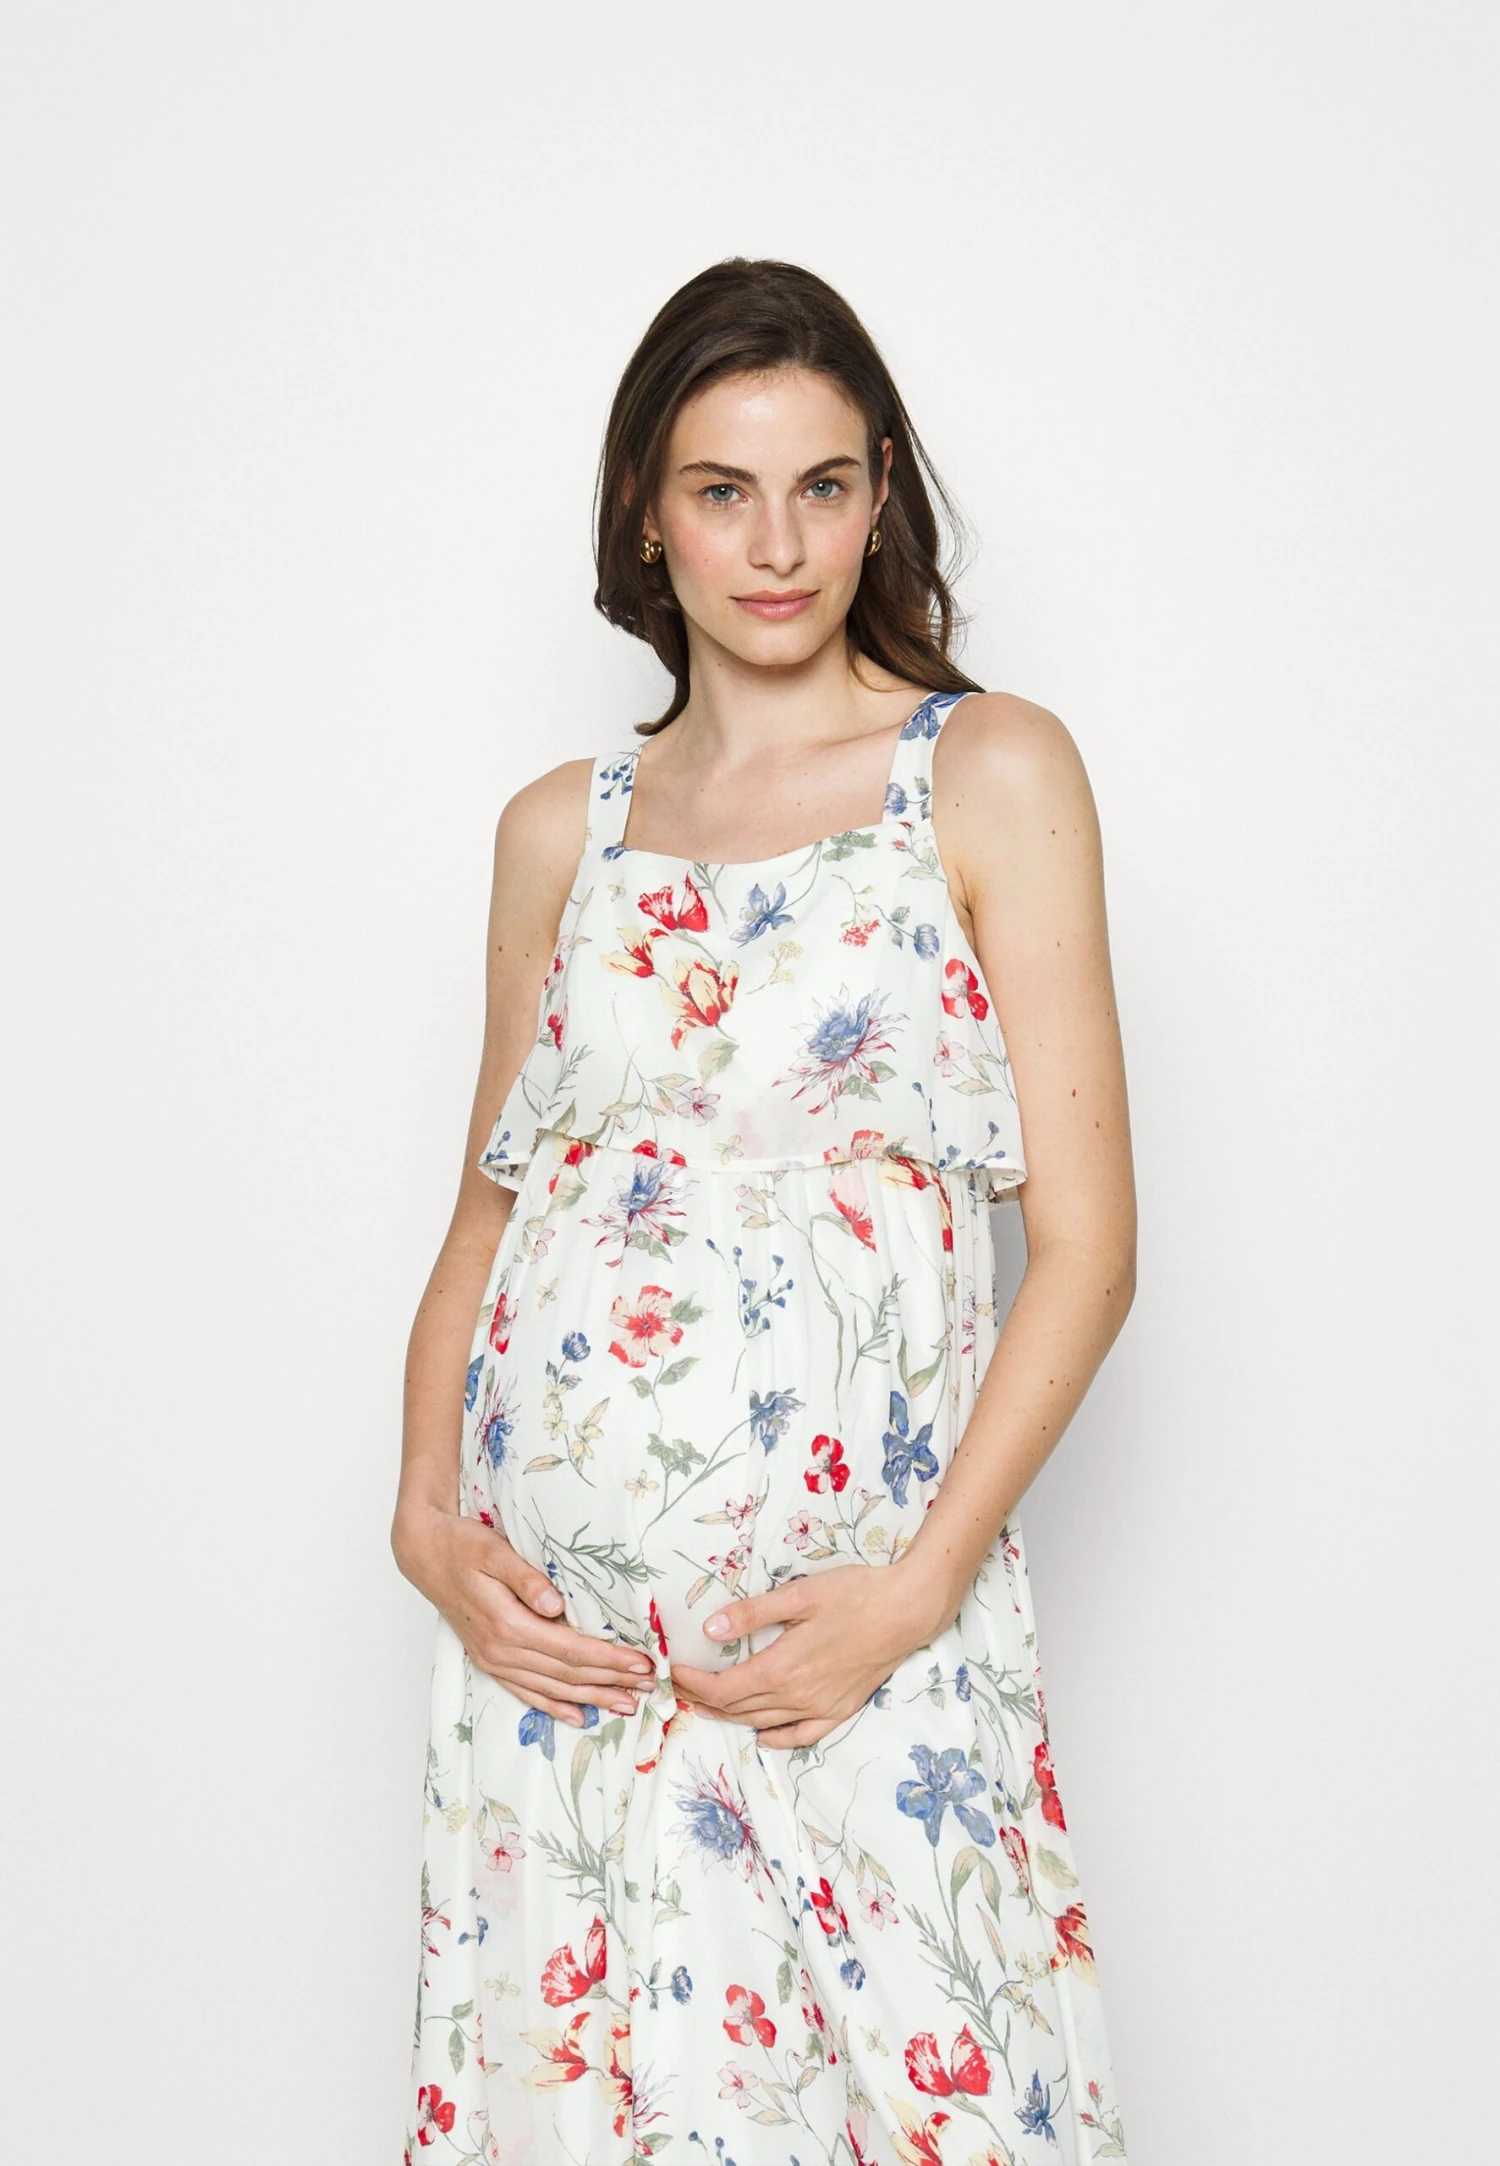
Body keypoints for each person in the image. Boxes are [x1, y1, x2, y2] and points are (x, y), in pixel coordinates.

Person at [393, 256, 1136, 2166]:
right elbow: (490, 1215)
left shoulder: (987, 771)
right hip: (569, 1676)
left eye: (822, 484)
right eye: (723, 490)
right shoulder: (561, 828)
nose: (778, 544)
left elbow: (1089, 1249)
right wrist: (423, 1518)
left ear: (882, 496)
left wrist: (914, 1591)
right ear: (648, 512)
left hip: (855, 1636)